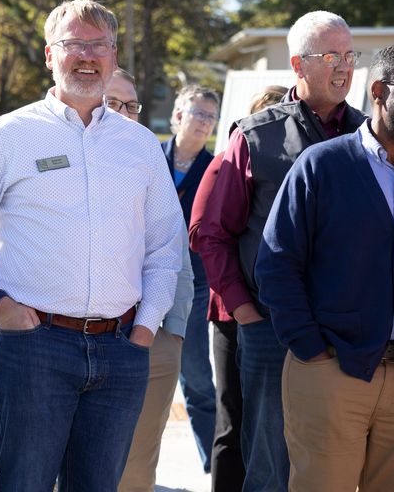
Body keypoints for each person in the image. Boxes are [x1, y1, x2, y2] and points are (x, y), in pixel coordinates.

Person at [0, 0, 184, 491]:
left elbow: (166, 245)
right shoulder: (7, 137)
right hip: (35, 347)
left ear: (114, 55)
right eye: (74, 45)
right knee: (25, 485)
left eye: (99, 46)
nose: (87, 57)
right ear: (49, 55)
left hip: (122, 348)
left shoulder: (140, 144)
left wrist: (145, 329)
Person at [256, 43, 394, 491]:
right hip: (332, 373)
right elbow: (278, 264)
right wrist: (309, 348)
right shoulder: (322, 166)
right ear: (379, 90)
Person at [194, 10, 366, 490]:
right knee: (269, 464)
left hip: (346, 329)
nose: (344, 67)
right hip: (270, 329)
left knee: (333, 461)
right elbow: (210, 231)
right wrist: (244, 311)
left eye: (350, 55)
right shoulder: (255, 135)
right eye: (330, 55)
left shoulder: (369, 137)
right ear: (297, 64)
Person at [190, 84, 287, 492]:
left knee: (272, 426)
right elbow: (202, 231)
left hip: (277, 317)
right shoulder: (234, 154)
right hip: (234, 315)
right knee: (235, 420)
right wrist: (242, 306)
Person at [108, 69, 195, 492]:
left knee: (136, 469)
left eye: (131, 106)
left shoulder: (150, 164)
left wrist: (171, 333)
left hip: (151, 341)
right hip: (69, 338)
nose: (124, 115)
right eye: (112, 104)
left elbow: (176, 254)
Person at [159, 83, 220, 471]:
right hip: (139, 281)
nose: (203, 123)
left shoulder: (217, 169)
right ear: (178, 116)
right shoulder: (148, 157)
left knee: (197, 377)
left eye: (210, 117)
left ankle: (213, 464)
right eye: (197, 113)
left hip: (195, 285)